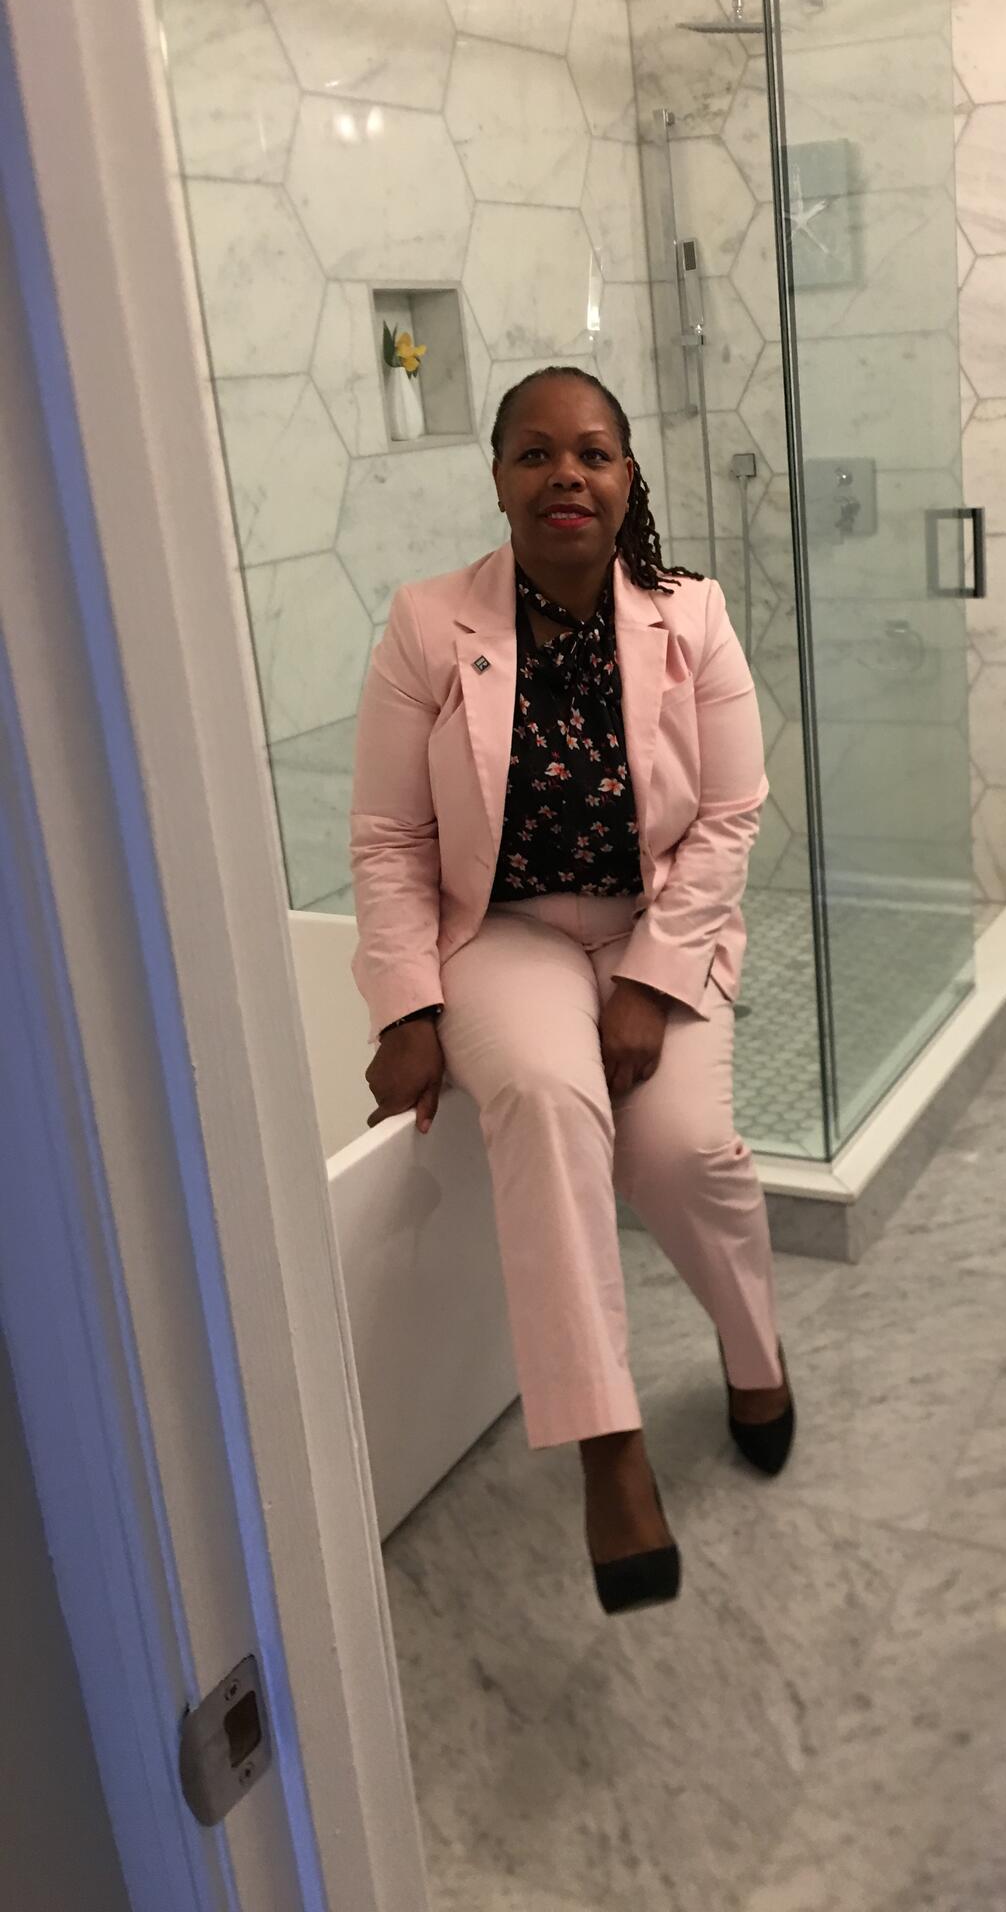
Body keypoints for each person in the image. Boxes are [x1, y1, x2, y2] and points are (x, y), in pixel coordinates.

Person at [349, 366, 794, 1616]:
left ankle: (754, 1345)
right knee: (548, 1100)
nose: (566, 475)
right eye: (536, 452)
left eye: (593, 453)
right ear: (498, 478)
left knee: (681, 1152)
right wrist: (405, 1006)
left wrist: (651, 983)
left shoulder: (690, 616)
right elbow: (389, 836)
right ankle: (610, 1443)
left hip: (657, 923)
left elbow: (730, 815)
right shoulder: (429, 624)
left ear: (626, 476)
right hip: (505, 931)